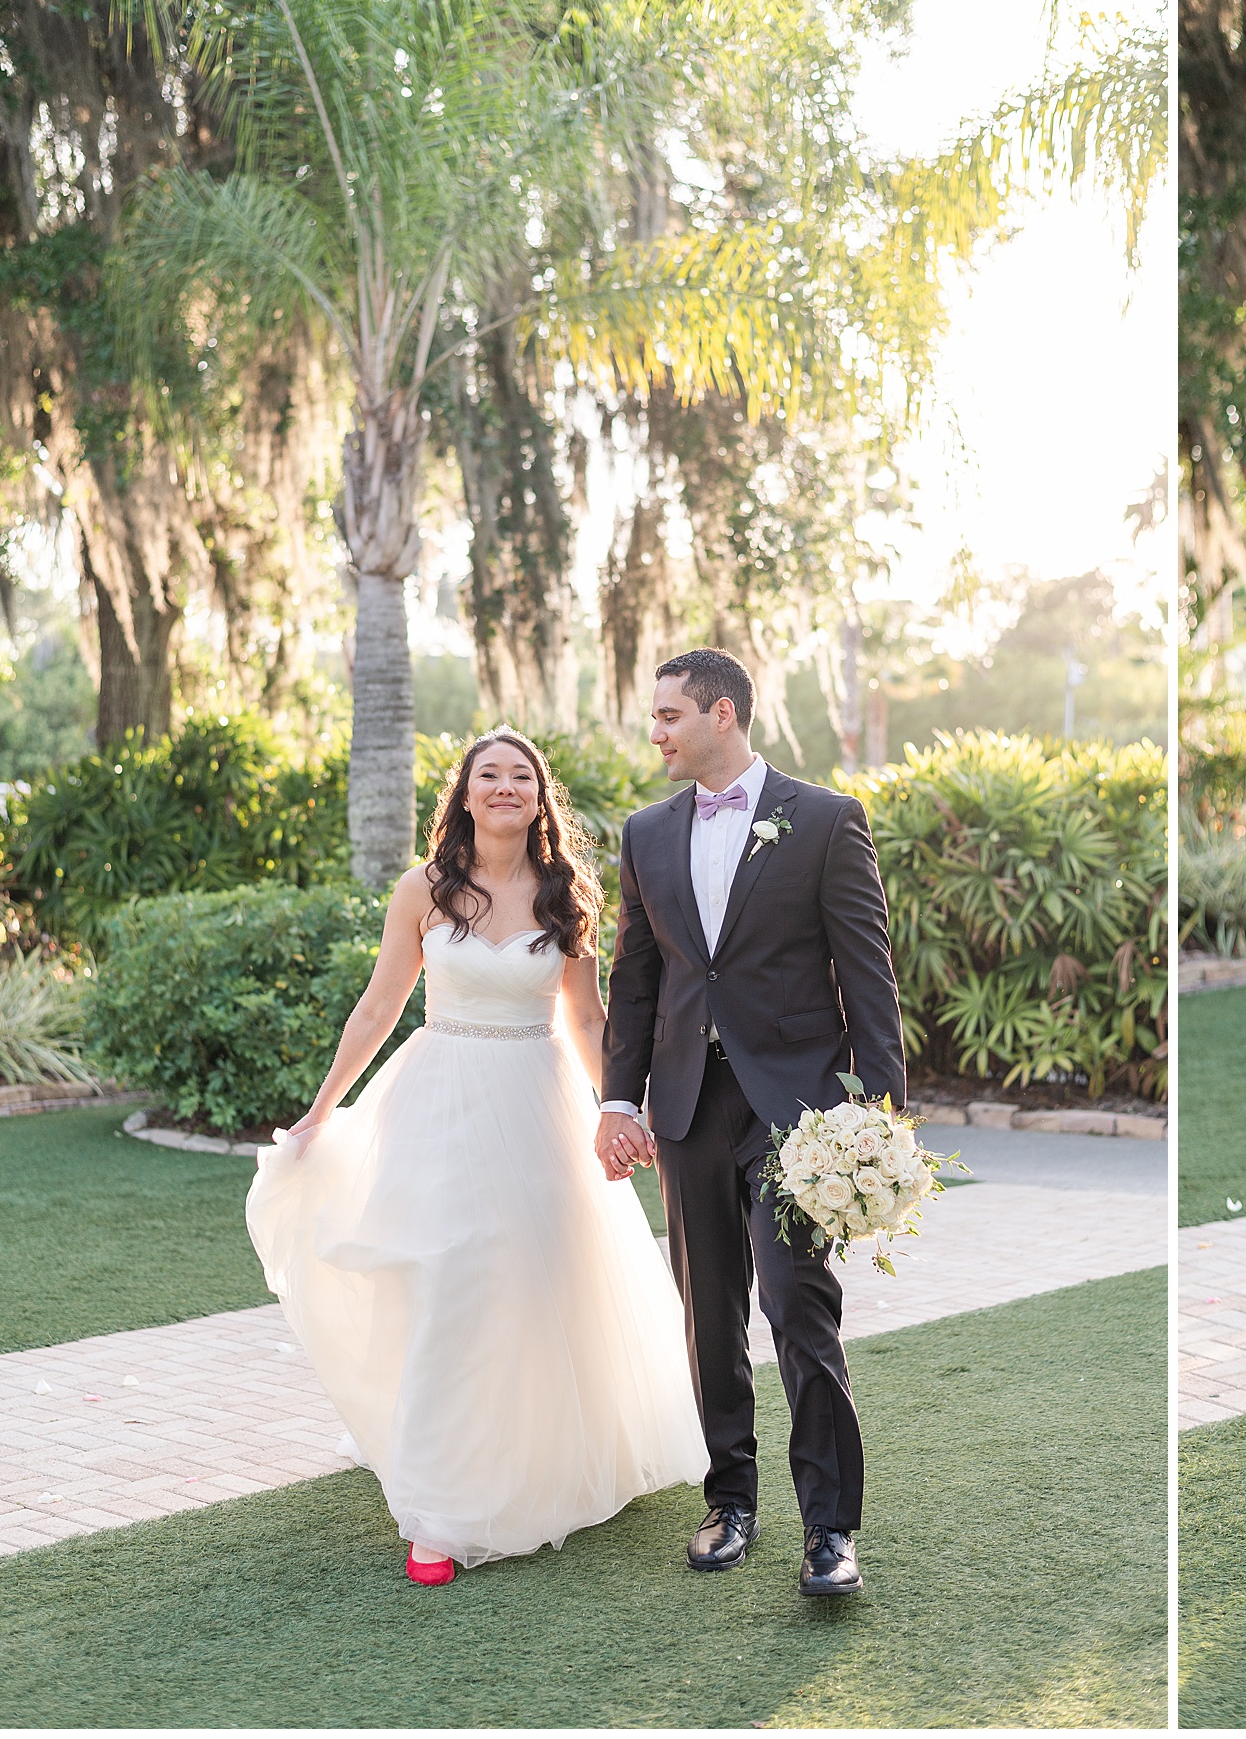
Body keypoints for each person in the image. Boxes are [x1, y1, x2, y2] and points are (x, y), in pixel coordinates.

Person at [248, 729, 707, 1586]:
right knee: (451, 1281)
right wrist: (320, 1108)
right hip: (442, 1099)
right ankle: (441, 1505)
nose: (504, 787)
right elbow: (382, 1002)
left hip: (538, 1100)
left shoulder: (568, 892)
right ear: (462, 794)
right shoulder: (423, 890)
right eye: (488, 774)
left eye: (521, 776)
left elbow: (586, 1018)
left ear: (540, 798)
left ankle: (543, 1458)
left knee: (535, 1280)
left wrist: (618, 1104)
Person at [596, 648, 907, 1598]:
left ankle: (830, 1531)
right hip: (687, 1106)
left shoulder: (825, 820)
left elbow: (868, 975)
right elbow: (639, 981)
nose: (655, 732)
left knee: (798, 1308)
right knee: (708, 1317)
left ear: (721, 713)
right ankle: (730, 1500)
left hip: (796, 1111)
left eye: (668, 715)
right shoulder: (646, 833)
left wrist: (880, 1114)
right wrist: (619, 1095)